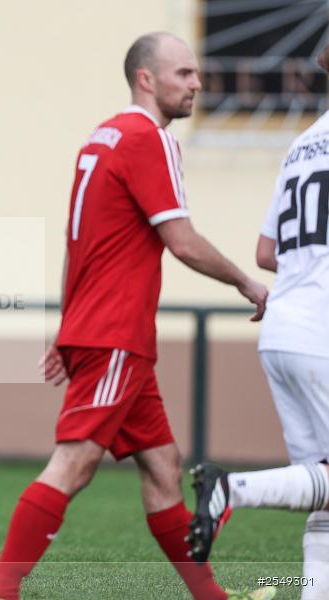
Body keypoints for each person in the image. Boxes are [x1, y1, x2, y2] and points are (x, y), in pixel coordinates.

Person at [0, 33, 275, 600]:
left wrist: (68, 327)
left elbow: (76, 243)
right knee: (73, 464)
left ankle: (213, 598)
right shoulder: (150, 138)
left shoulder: (101, 137)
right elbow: (181, 241)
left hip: (107, 331)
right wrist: (245, 281)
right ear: (146, 78)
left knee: (165, 468)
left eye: (196, 74)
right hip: (116, 334)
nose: (196, 83)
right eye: (184, 74)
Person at [187, 43, 329, 600]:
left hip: (285, 326)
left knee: (321, 488)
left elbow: (267, 250)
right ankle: (231, 489)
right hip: (321, 328)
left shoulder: (302, 143)